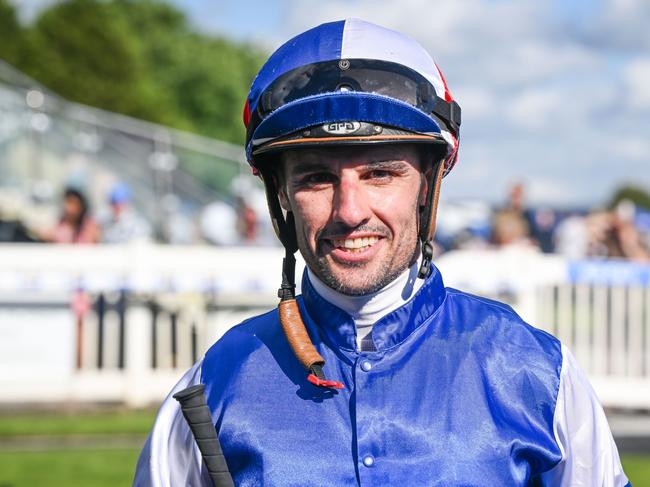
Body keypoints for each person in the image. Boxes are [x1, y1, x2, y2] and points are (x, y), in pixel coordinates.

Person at [134, 19, 629, 486]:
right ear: (281, 195)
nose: (350, 211)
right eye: (316, 178)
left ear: (427, 184)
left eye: (380, 174)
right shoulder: (214, 383)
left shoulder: (538, 372)